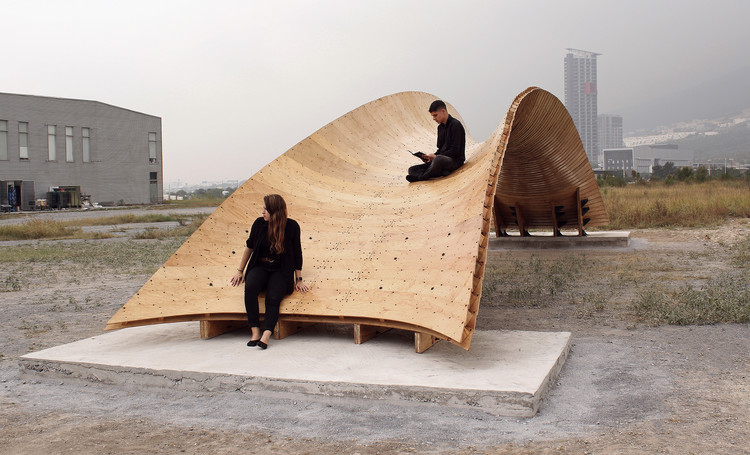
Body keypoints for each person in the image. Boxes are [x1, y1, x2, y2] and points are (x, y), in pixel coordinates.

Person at [230, 194, 309, 349]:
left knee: (274, 296)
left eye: (265, 209)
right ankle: (255, 332)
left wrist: (299, 279)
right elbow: (249, 247)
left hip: (280, 269)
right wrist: (240, 270)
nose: (262, 212)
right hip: (260, 266)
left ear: (275, 211)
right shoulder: (259, 224)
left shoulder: (292, 226)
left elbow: (297, 252)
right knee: (250, 288)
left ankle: (266, 334)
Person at [406, 100, 466, 182]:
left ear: (443, 111)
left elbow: (455, 151)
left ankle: (422, 177)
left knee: (438, 160)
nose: (434, 119)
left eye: (435, 115)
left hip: (455, 161)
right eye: (432, 116)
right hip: (441, 160)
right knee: (412, 170)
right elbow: (440, 149)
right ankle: (442, 172)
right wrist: (431, 157)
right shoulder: (440, 128)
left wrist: (436, 157)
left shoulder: (456, 125)